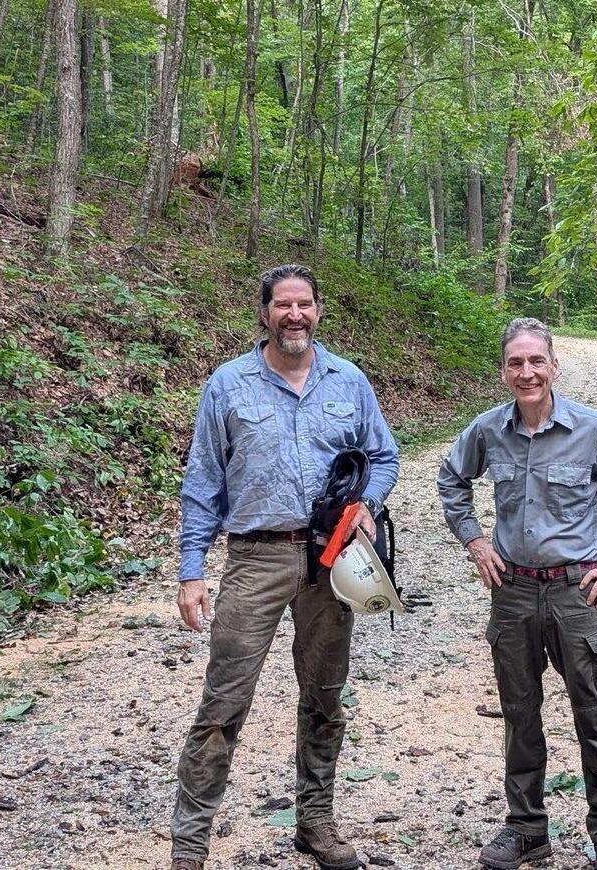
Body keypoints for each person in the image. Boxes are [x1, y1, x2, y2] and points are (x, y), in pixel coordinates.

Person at [171, 264, 399, 870]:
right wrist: (191, 567)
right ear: (264, 313)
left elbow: (382, 455)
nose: (293, 315)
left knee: (325, 695)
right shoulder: (229, 385)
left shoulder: (348, 380)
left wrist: (366, 506)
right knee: (224, 702)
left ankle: (315, 823)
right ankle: (189, 849)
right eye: (282, 305)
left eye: (304, 304)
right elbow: (204, 481)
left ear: (318, 310)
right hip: (256, 555)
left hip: (334, 558)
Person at [437, 318, 597, 870]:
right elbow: (450, 479)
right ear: (503, 372)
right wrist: (474, 541)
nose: (527, 372)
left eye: (536, 361)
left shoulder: (593, 429)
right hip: (512, 591)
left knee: (593, 713)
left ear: (554, 366)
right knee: (520, 713)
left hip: (576, 595)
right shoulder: (488, 431)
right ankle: (526, 828)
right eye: (515, 363)